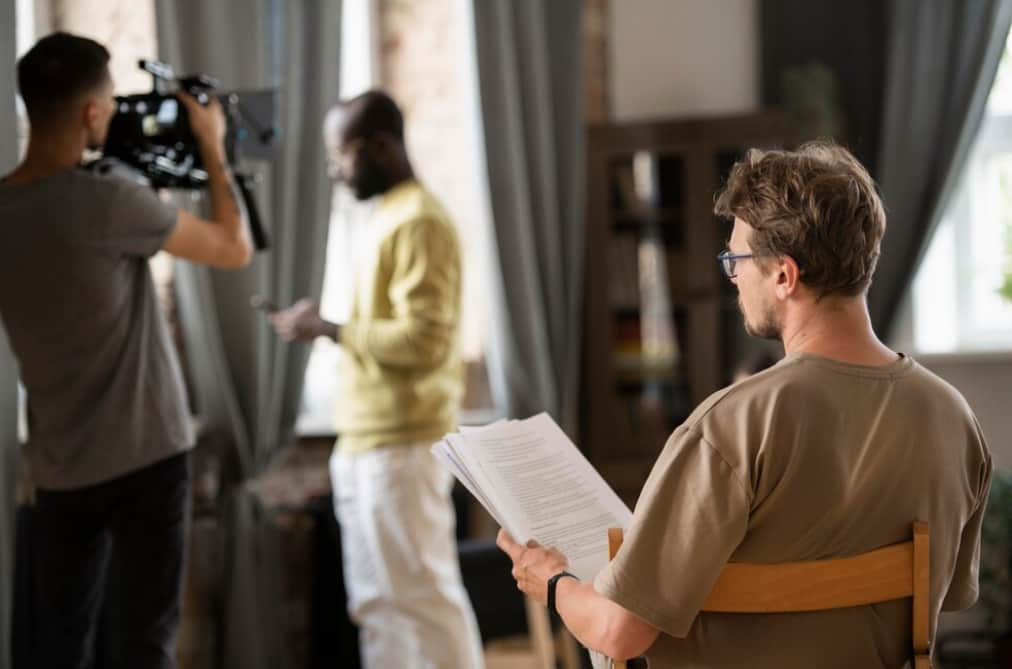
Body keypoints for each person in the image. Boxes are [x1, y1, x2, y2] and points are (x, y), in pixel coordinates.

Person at [497, 142, 992, 668]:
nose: (732, 276)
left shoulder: (731, 427)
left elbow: (618, 634)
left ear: (784, 275)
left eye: (737, 259)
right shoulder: (953, 417)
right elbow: (950, 595)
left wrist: (553, 581)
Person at [0, 32, 252, 668]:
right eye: (109, 100)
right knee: (144, 645)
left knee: (58, 645)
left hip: (59, 466)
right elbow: (233, 246)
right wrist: (213, 145)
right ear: (89, 111)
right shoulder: (108, 200)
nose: (113, 112)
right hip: (148, 455)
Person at [267, 90, 484, 668]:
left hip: (405, 444)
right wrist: (325, 327)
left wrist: (330, 328)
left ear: (382, 146)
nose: (336, 171)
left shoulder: (420, 220)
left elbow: (424, 340)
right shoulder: (388, 216)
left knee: (423, 600)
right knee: (376, 604)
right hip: (364, 441)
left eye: (341, 155)